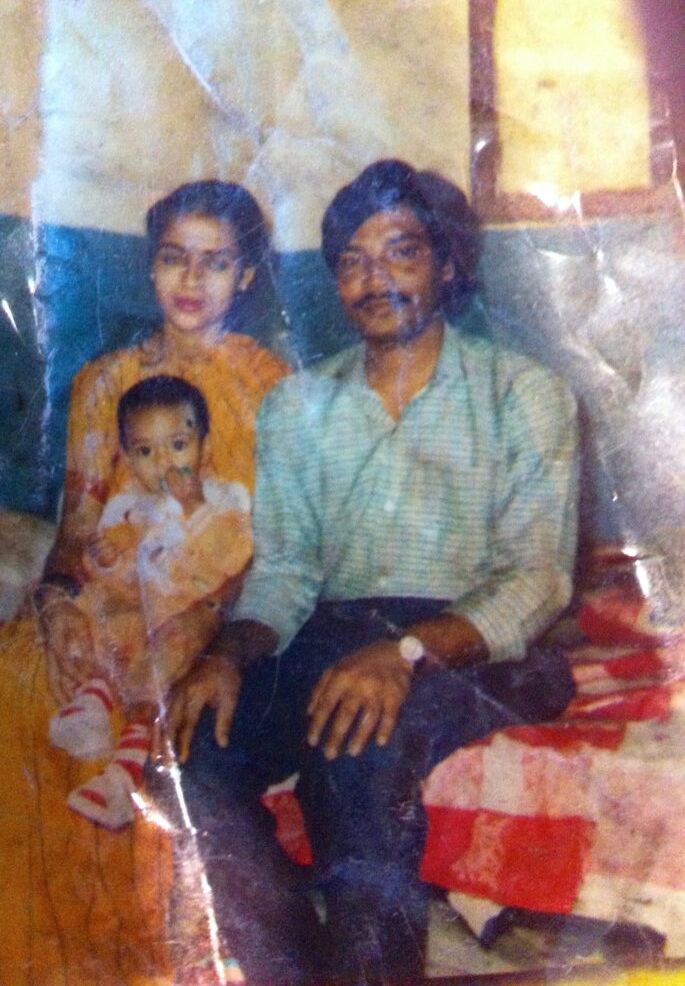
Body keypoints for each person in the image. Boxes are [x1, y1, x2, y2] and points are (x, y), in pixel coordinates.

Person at [168, 160, 580, 985]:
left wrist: (406, 655)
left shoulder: (523, 394)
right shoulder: (298, 406)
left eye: (401, 252)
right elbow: (284, 571)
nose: (374, 279)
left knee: (357, 751)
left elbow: (536, 579)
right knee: (189, 761)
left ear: (448, 264)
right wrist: (227, 654)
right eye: (352, 261)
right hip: (338, 634)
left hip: (476, 645)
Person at [0, 181, 288, 985]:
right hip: (107, 596)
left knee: (146, 685)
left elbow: (267, 545)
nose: (191, 282)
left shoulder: (272, 388)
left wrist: (201, 625)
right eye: (172, 260)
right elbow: (78, 534)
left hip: (214, 611)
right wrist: (54, 608)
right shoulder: (100, 381)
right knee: (14, 673)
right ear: (149, 268)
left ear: (247, 277)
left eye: (215, 263)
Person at [48, 374, 253, 830]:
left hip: (187, 612)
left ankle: (121, 779)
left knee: (165, 659)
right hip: (133, 607)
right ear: (125, 455)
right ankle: (94, 700)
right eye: (145, 452)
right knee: (98, 618)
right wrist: (107, 551)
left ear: (204, 443)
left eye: (178, 445)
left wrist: (195, 505)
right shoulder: (129, 504)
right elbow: (108, 555)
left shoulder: (223, 500)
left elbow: (234, 556)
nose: (163, 462)